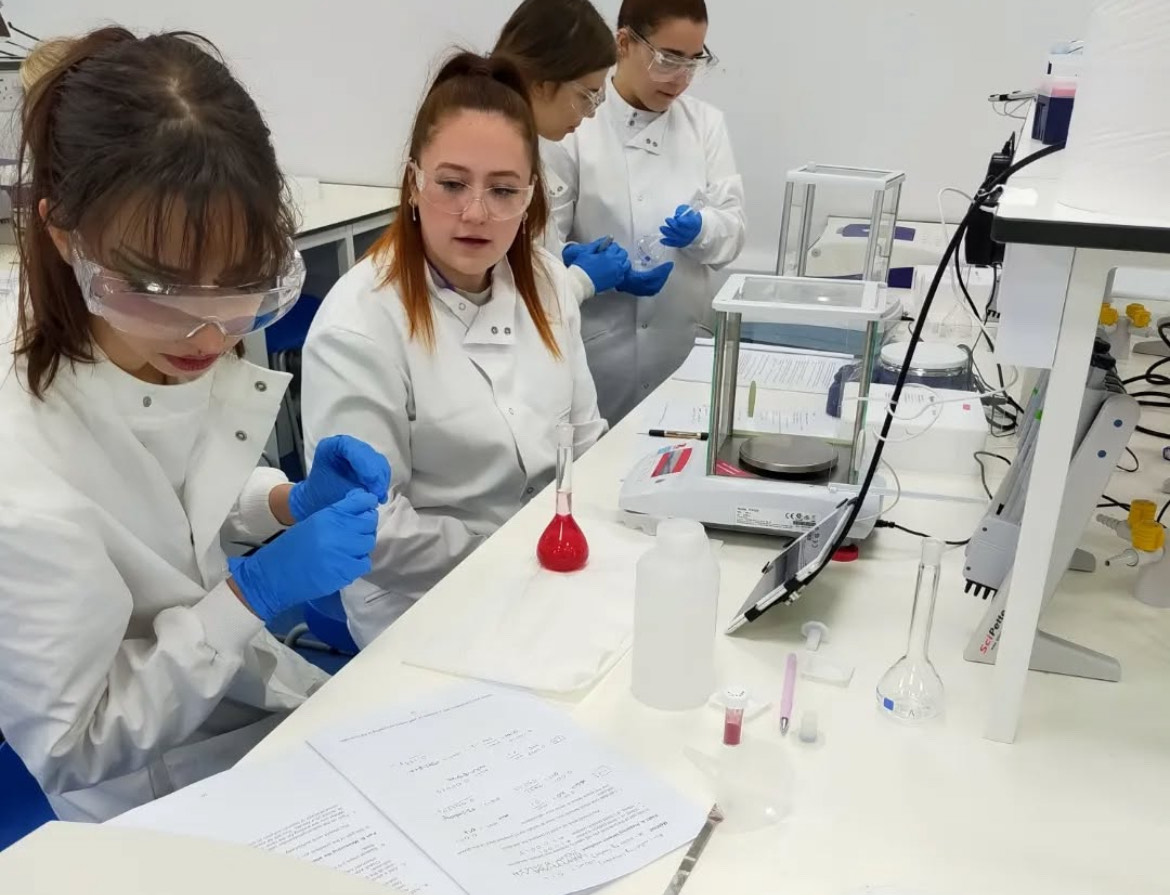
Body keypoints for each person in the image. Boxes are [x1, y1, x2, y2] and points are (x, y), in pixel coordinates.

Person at [0, 28, 390, 822]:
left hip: (255, 712)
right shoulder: (22, 468)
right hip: (151, 790)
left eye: (242, 282)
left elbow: (168, 497)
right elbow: (74, 745)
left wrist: (284, 503)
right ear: (64, 235)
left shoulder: (148, 337)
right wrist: (252, 593)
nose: (209, 334)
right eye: (159, 287)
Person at [301, 52, 605, 649]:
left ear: (530, 195)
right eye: (451, 184)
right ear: (414, 183)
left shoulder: (548, 282)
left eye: (503, 190)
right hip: (421, 604)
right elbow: (373, 526)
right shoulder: (359, 324)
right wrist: (514, 552)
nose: (476, 213)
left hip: (555, 570)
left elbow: (586, 441)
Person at [543, 0, 747, 424]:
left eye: (693, 62)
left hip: (683, 354)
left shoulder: (705, 125)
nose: (680, 79)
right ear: (624, 43)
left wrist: (702, 230)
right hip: (597, 358)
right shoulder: (576, 125)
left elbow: (732, 232)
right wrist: (579, 264)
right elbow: (540, 247)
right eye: (668, 60)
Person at [491, 0, 630, 302]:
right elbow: (501, 303)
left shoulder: (528, 149)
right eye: (586, 96)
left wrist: (559, 254)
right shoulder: (491, 164)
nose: (590, 113)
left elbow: (520, 258)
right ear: (542, 84)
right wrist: (580, 281)